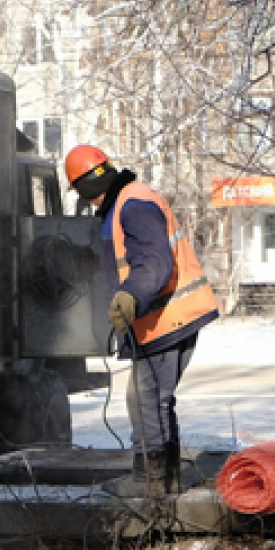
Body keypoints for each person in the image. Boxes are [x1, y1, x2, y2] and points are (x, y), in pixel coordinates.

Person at [65, 144, 219, 497]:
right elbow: (126, 257)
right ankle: (164, 478)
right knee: (152, 398)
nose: (86, 203)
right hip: (161, 317)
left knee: (148, 398)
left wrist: (131, 295)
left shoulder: (133, 205)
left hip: (166, 317)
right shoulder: (123, 204)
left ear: (87, 186)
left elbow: (153, 262)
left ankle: (152, 483)